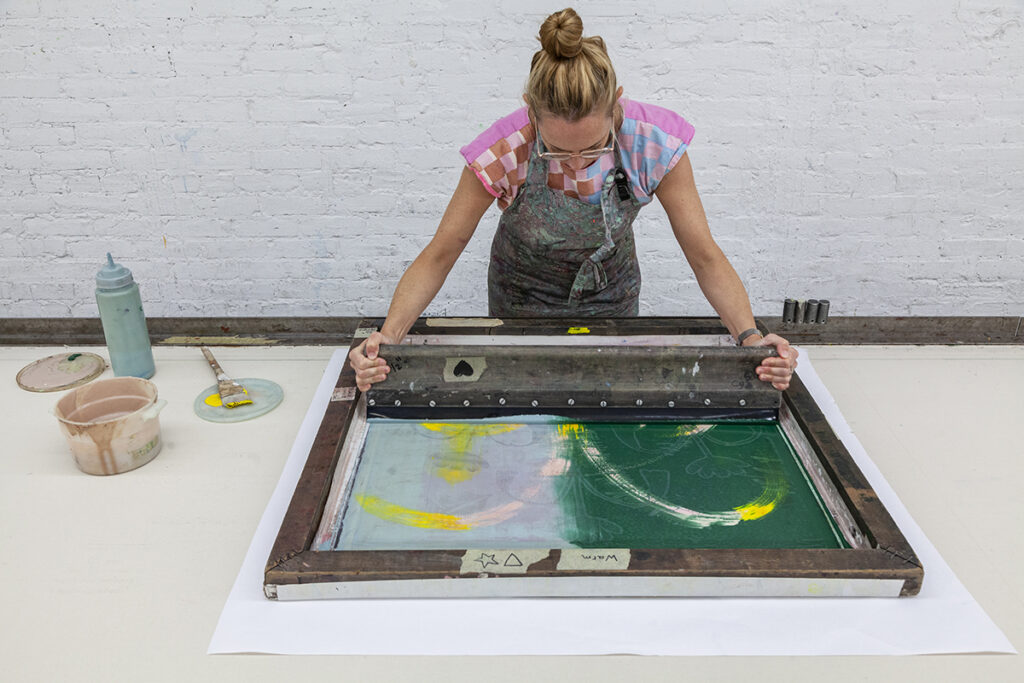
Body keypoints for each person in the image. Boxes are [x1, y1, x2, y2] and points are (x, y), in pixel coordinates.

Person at [351, 8, 797, 392]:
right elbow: (441, 252)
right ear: (530, 110)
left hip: (612, 299)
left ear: (616, 105)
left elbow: (704, 255)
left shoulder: (654, 144)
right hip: (519, 300)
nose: (578, 162)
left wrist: (749, 337)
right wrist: (385, 340)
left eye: (594, 146)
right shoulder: (504, 151)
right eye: (559, 151)